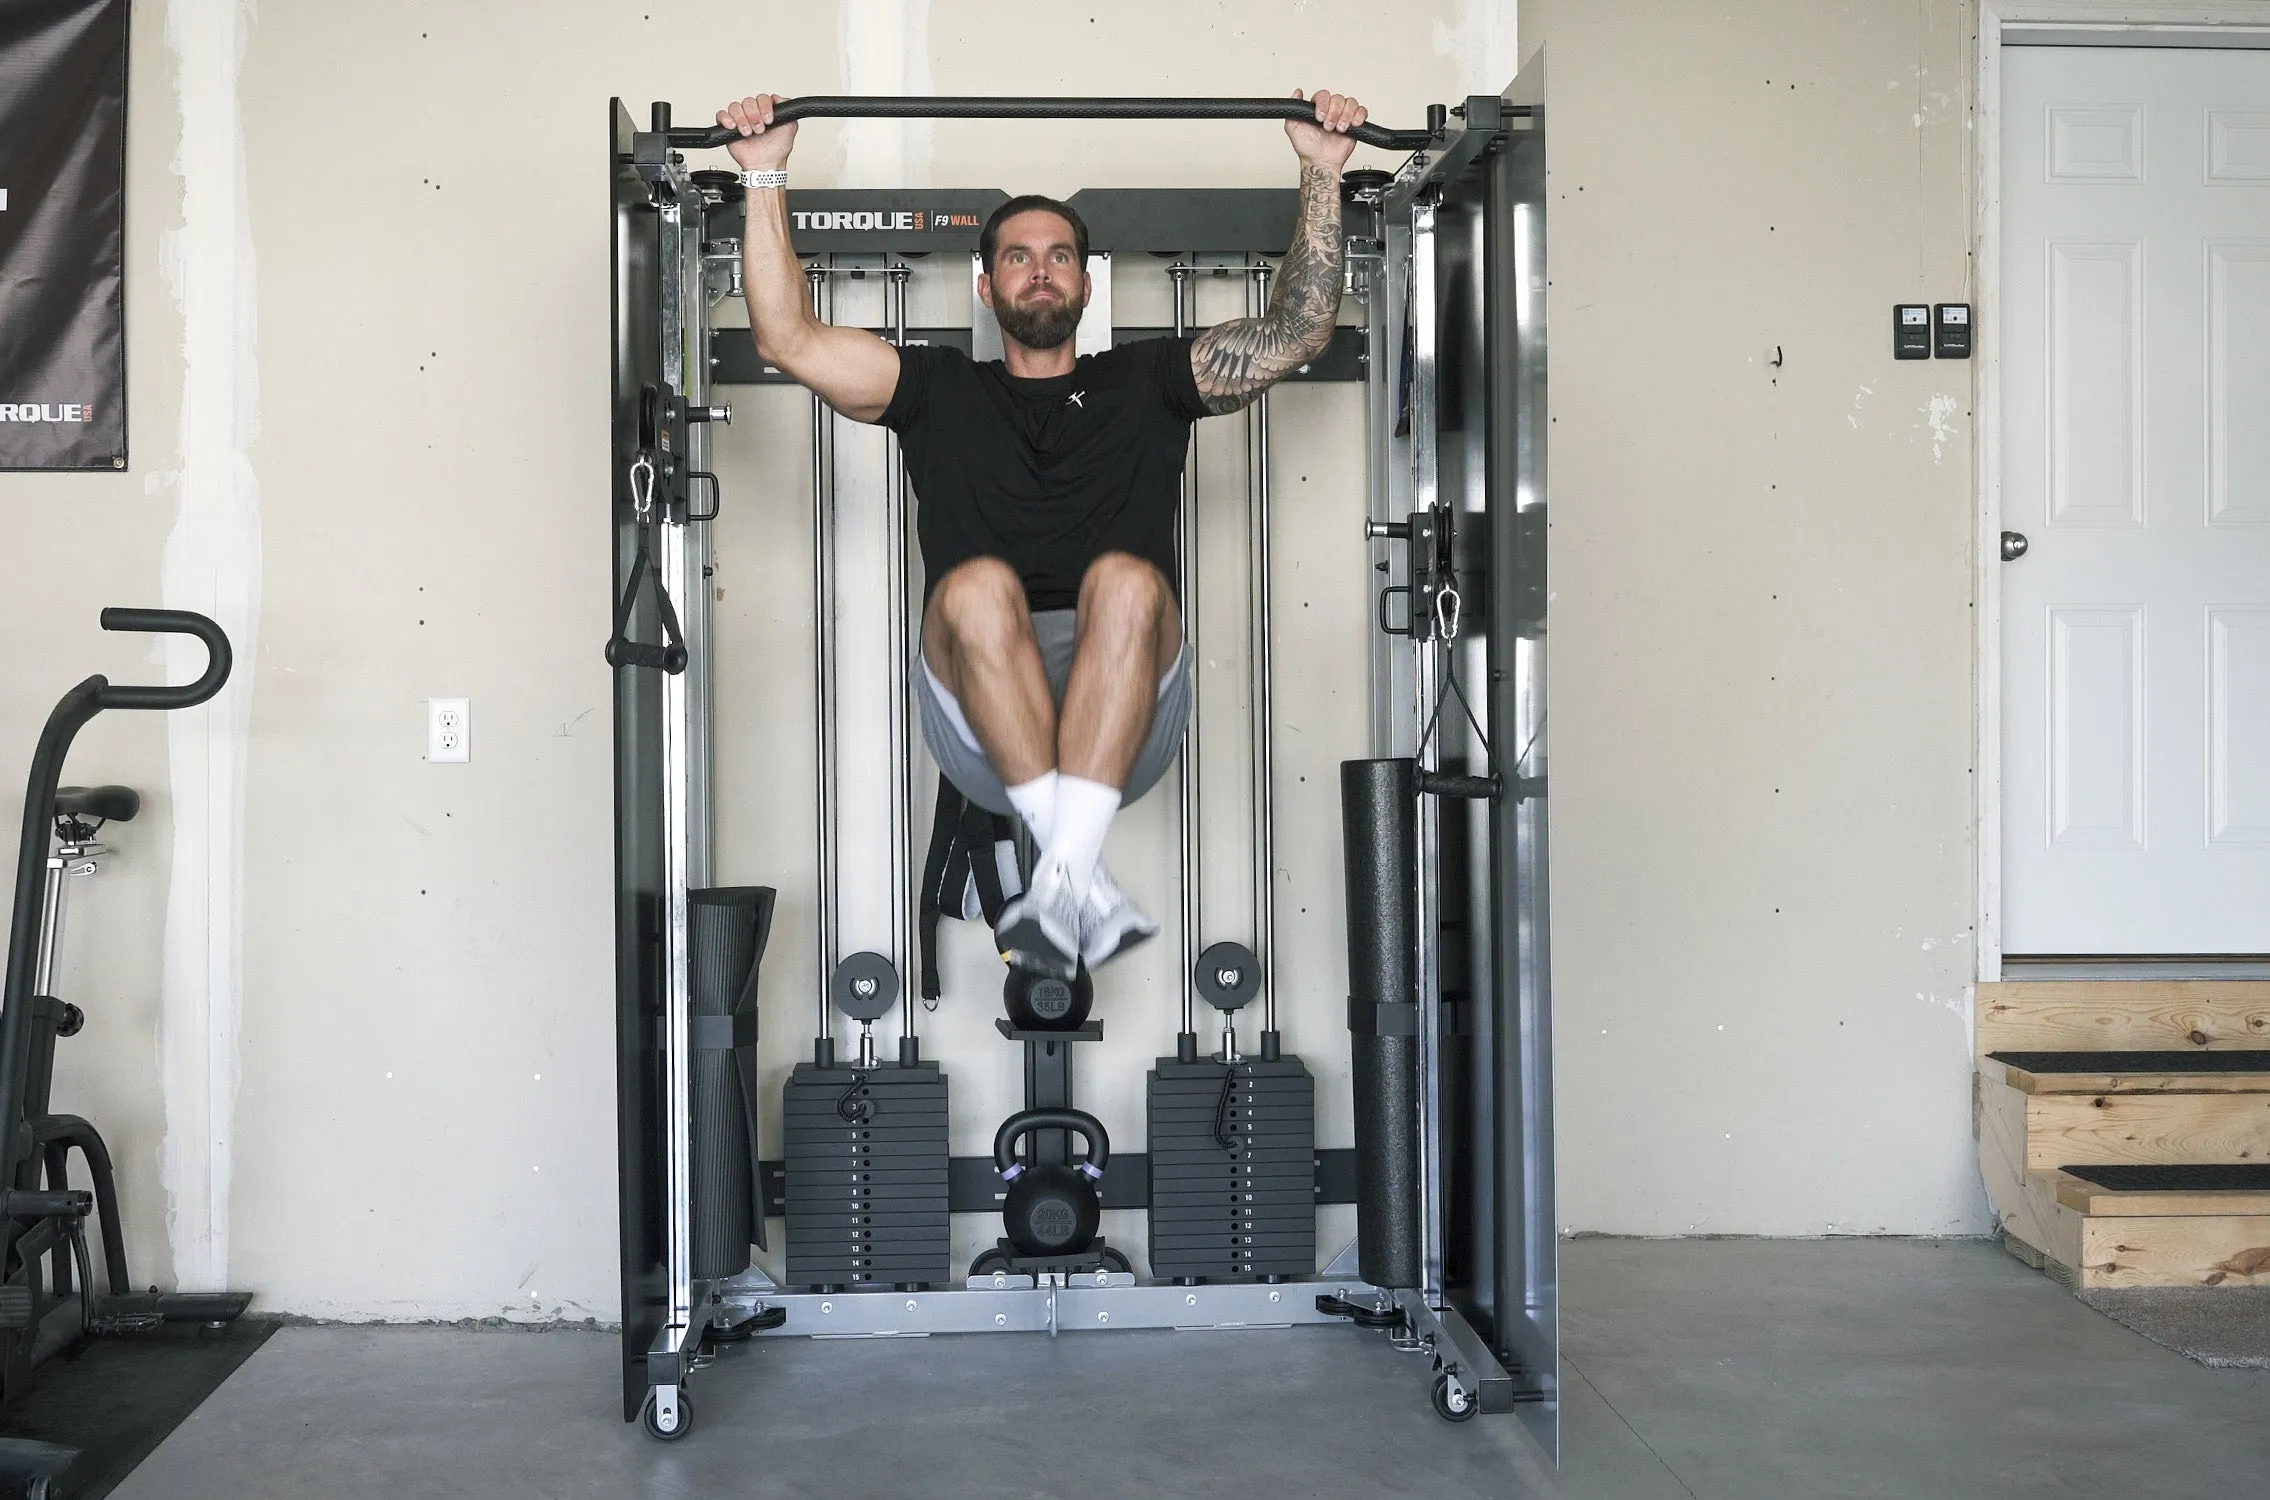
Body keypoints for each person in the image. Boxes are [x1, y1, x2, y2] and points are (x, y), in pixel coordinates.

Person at [716, 87, 1367, 979]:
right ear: (985, 287)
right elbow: (786, 337)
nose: (1040, 270)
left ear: (1086, 285)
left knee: (1128, 583)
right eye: (1018, 257)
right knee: (980, 587)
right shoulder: (937, 389)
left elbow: (1297, 334)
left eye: (1060, 256)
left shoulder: (1149, 380)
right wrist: (765, 173)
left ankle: (1057, 878)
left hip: (1125, 702)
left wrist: (1321, 171)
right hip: (984, 712)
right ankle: (1073, 878)